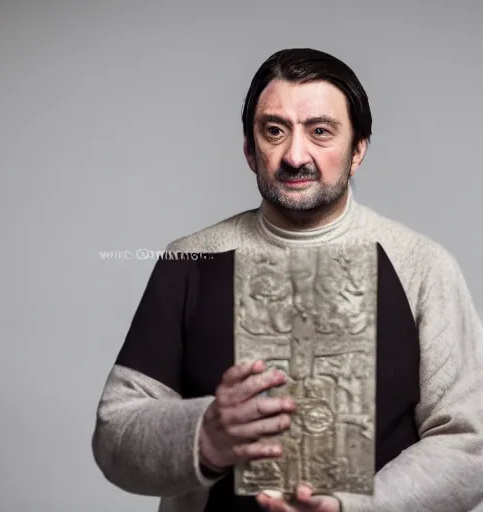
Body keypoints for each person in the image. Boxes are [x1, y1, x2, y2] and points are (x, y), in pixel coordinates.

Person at [91, 48, 483, 512]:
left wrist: (353, 508)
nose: (296, 155)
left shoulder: (421, 264)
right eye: (274, 131)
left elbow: (468, 443)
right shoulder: (190, 260)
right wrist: (206, 435)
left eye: (320, 131)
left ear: (357, 150)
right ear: (249, 150)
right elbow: (115, 435)